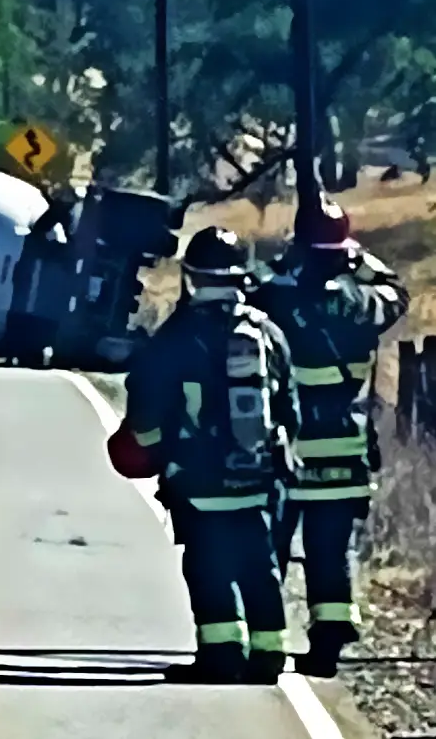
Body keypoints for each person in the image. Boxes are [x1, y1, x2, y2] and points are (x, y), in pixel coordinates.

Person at [112, 225, 300, 684]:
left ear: (191, 276)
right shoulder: (267, 333)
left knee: (208, 565)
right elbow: (290, 409)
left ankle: (221, 656)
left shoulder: (176, 338)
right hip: (258, 481)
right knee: (259, 566)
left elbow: (146, 412)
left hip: (198, 482)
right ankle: (269, 654)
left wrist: (157, 458)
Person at [249, 193, 410, 677]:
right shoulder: (364, 302)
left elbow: (249, 288)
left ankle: (263, 643)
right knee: (331, 548)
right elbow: (396, 291)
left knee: (269, 548)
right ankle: (328, 640)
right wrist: (357, 259)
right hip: (345, 448)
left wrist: (288, 260)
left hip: (286, 450)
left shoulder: (273, 296)